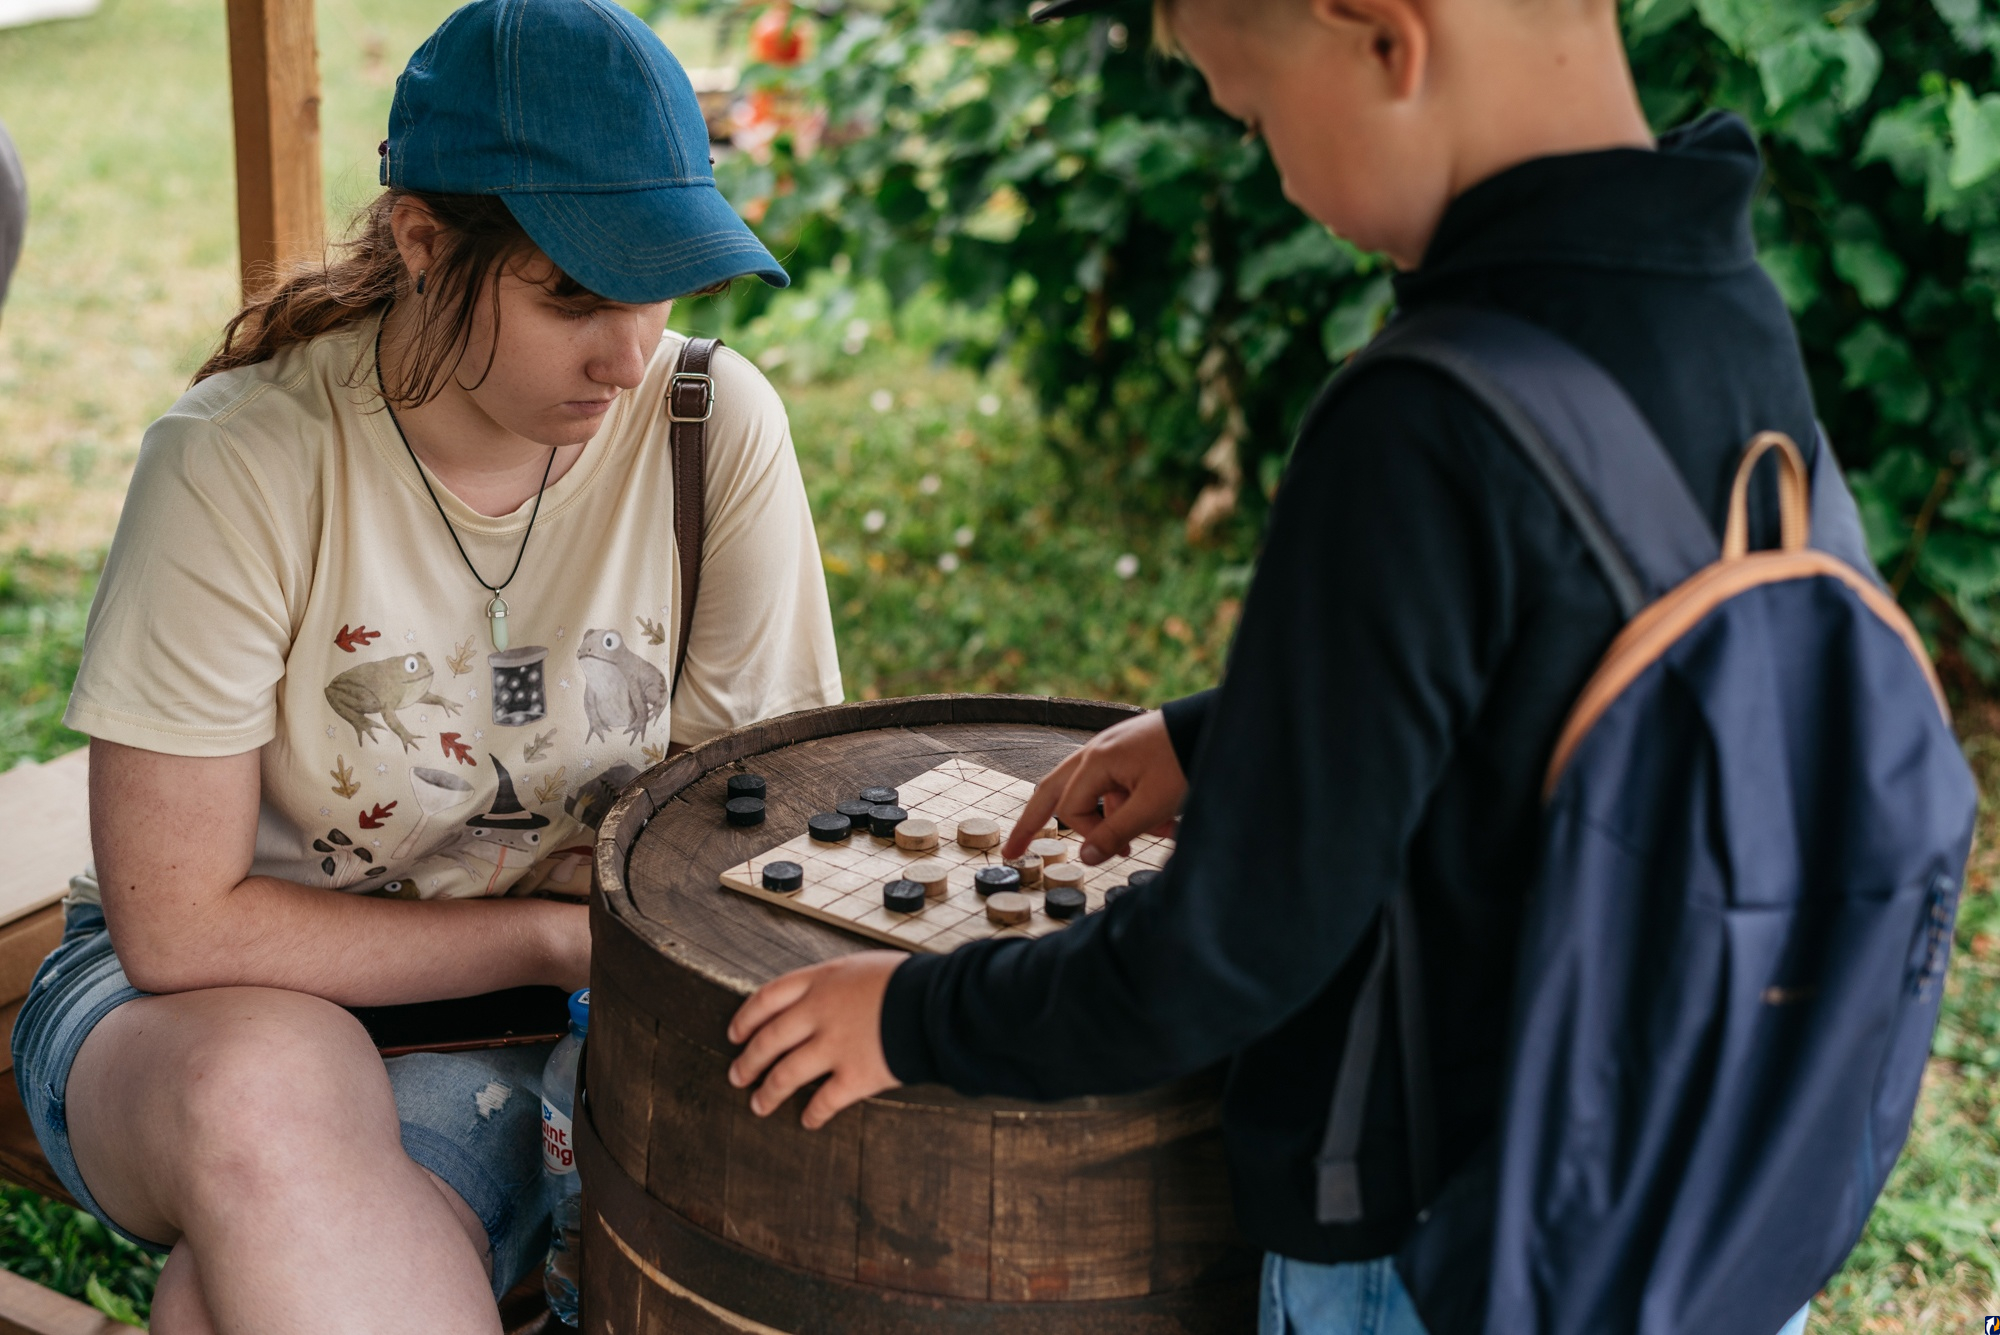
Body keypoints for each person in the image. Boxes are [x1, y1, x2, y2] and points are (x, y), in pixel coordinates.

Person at [725, 1, 1824, 1332]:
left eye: (1254, 117)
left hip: (1432, 1245)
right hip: (1677, 1174)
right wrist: (1223, 732)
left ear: (1382, 38)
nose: (1279, 176)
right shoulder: (1716, 304)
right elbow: (1574, 661)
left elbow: (1228, 953)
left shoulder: (1420, 420)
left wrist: (911, 1018)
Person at [11, 2, 841, 1331]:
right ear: (421, 242)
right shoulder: (243, 461)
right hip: (206, 1016)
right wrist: (535, 931)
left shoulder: (709, 428)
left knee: (217, 1307)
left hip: (557, 1021)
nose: (628, 356)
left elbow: (748, 823)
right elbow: (180, 930)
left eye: (659, 284)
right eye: (572, 294)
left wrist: (567, 967)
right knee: (259, 1091)